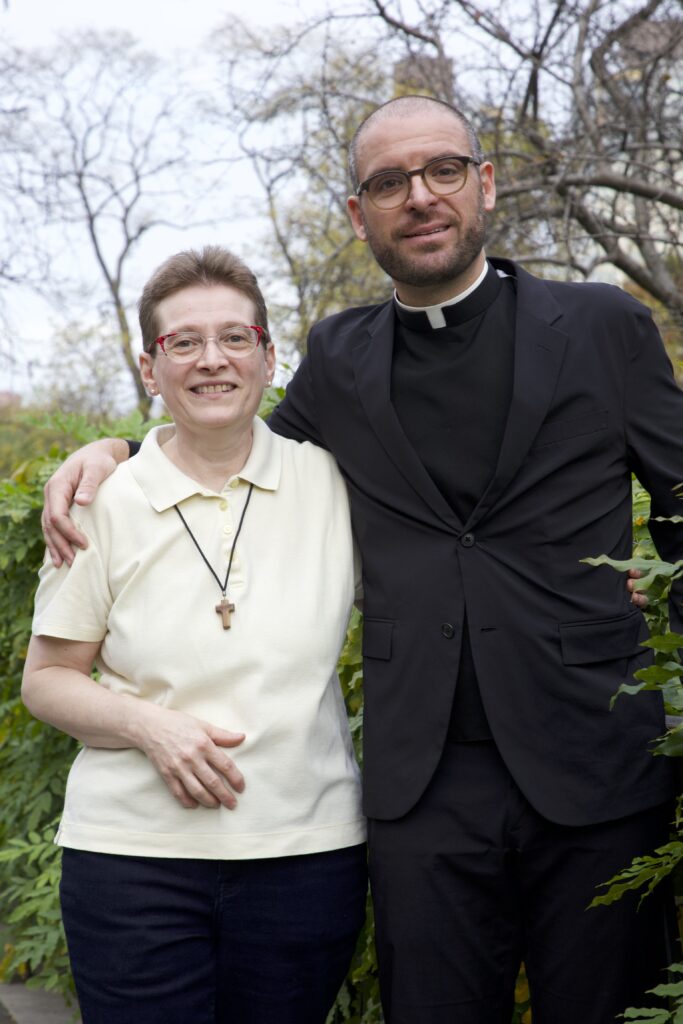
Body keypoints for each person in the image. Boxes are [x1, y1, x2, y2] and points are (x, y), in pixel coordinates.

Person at [41, 96, 683, 1024]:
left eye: (442, 172)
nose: (418, 197)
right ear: (359, 215)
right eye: (388, 183)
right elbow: (229, 441)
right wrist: (114, 451)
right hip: (420, 786)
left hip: (596, 761)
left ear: (485, 183)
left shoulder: (600, 327)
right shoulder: (340, 357)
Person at [23, 246, 367, 1024]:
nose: (212, 360)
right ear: (151, 368)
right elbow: (46, 681)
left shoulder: (337, 483)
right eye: (183, 342)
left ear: (269, 356)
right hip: (130, 863)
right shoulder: (100, 497)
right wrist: (153, 729)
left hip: (305, 856)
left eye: (235, 338)